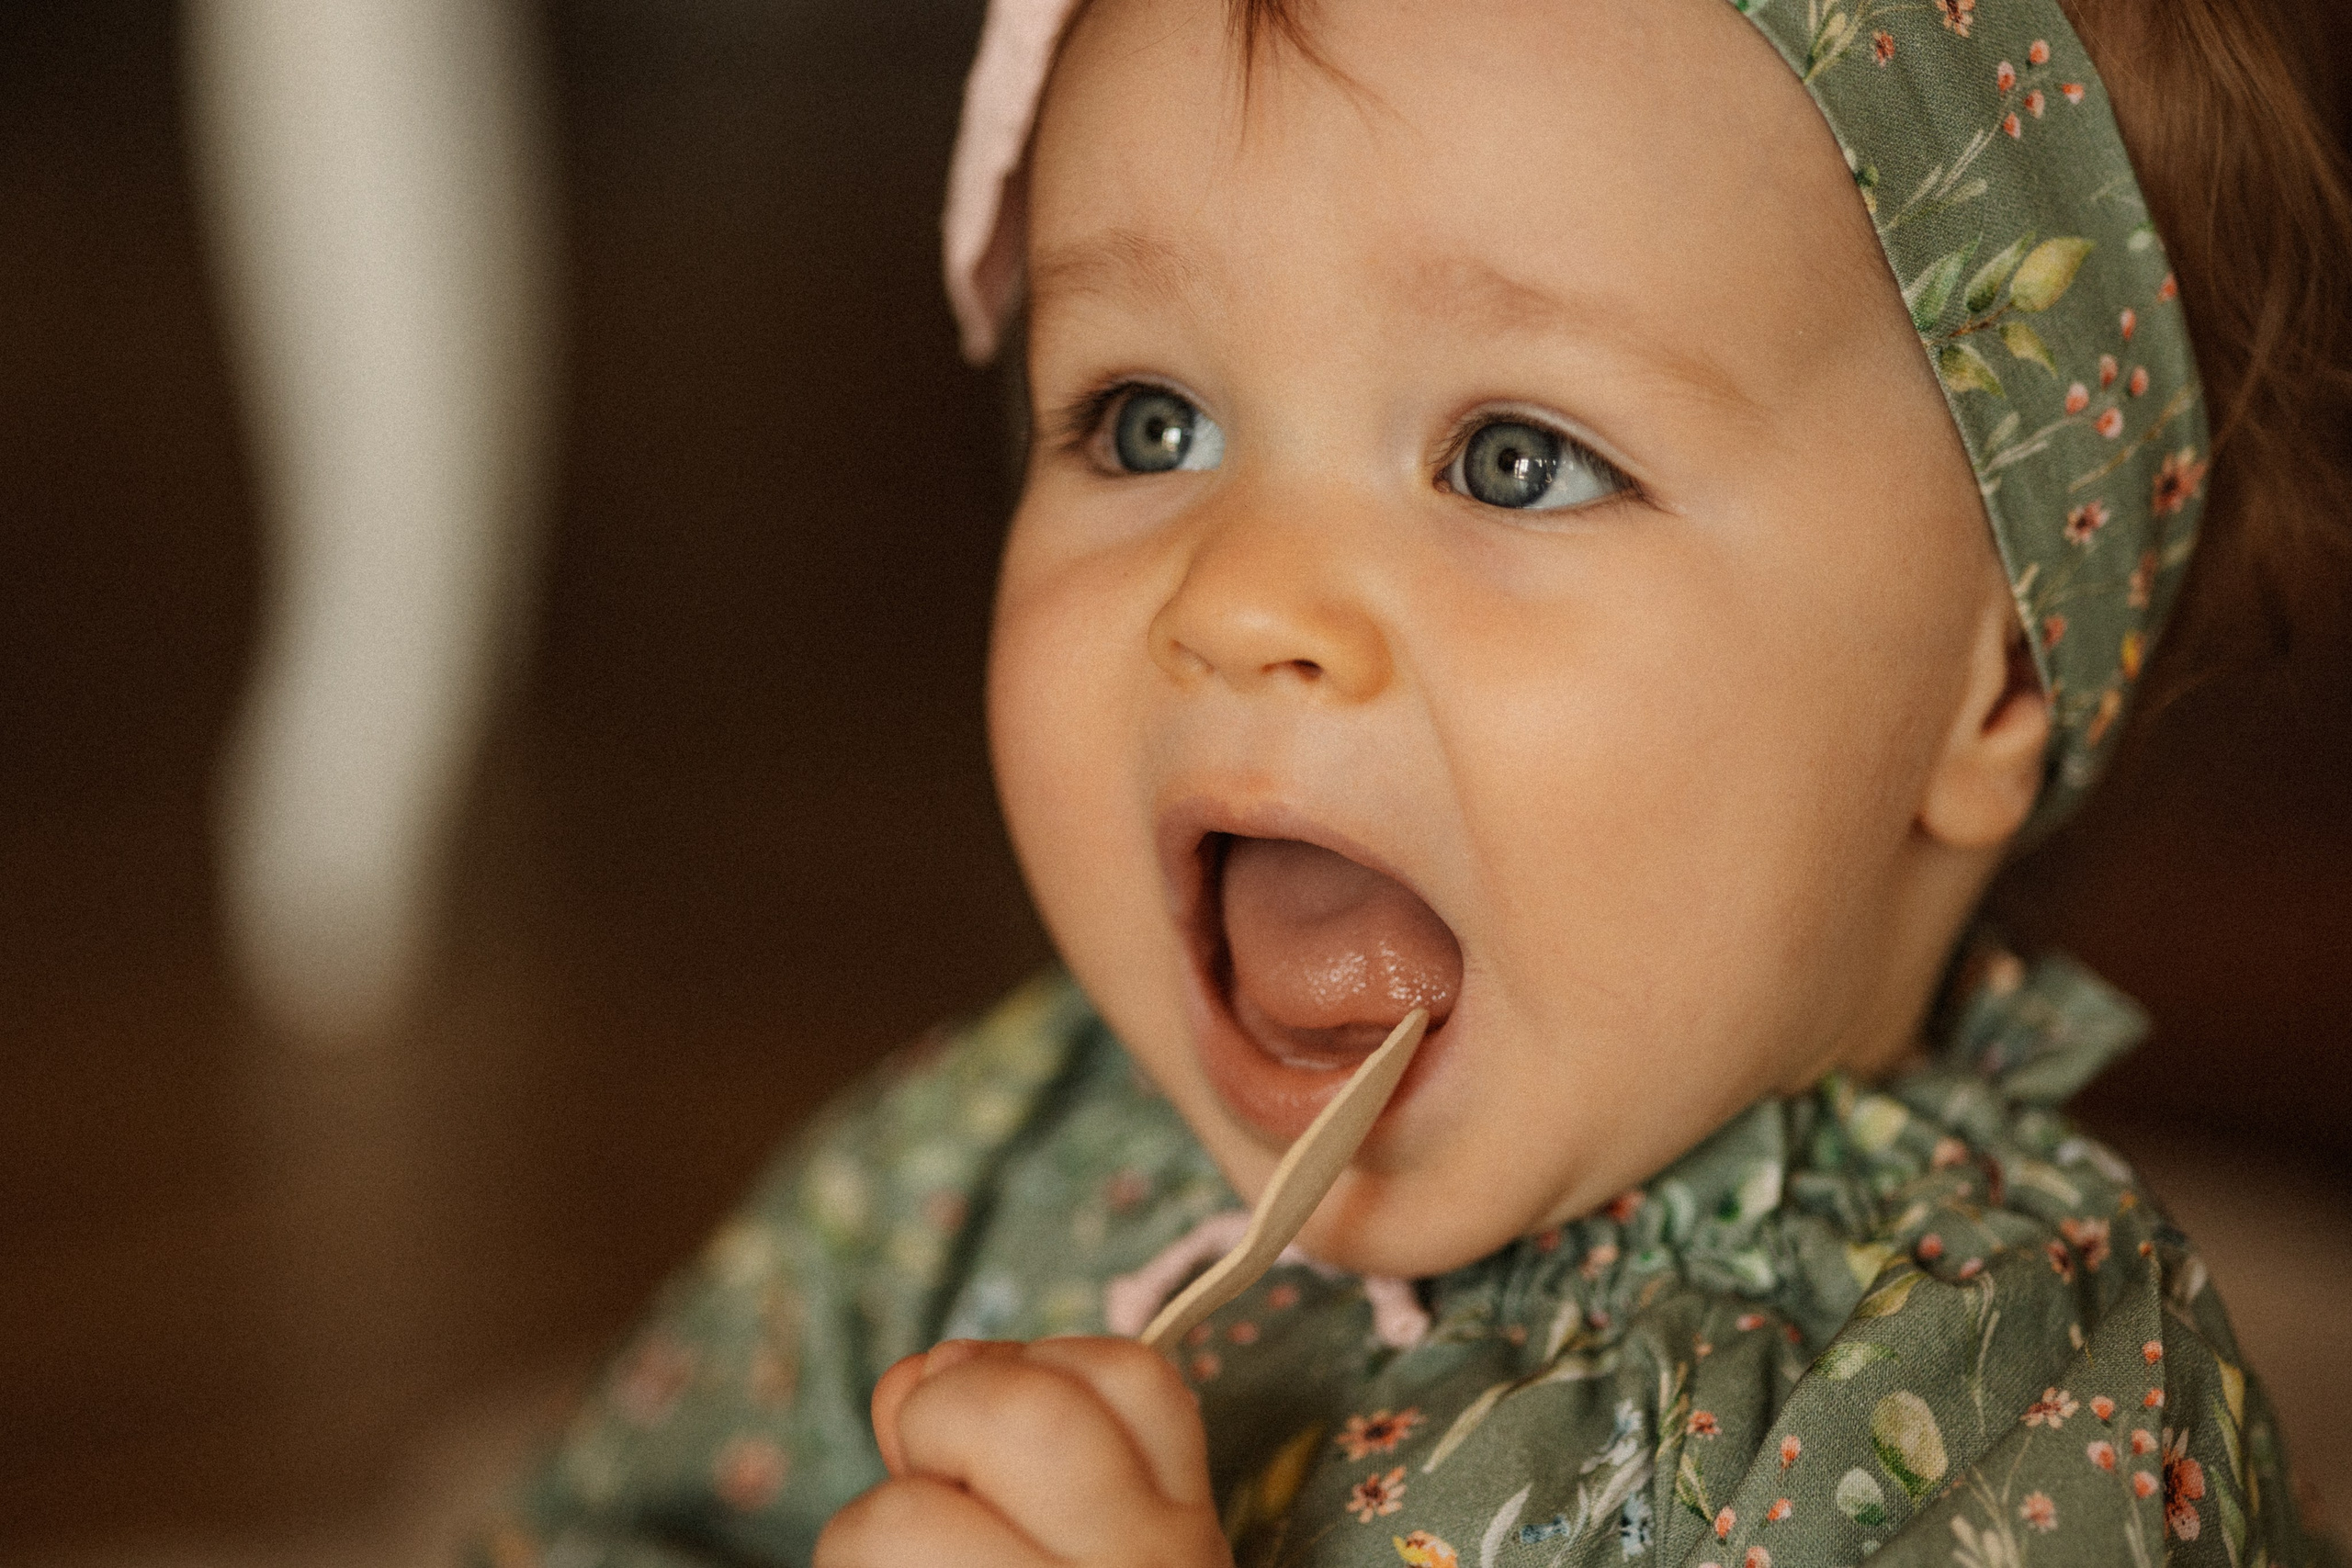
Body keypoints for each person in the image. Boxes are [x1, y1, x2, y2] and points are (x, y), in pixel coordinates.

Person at [477, 0, 2352, 1562]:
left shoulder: (2014, 1396)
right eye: (1149, 421)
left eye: (1513, 457)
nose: (1241, 599)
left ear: (1991, 673)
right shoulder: (971, 1170)